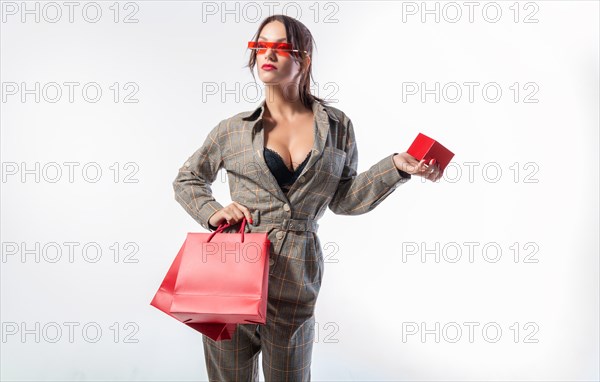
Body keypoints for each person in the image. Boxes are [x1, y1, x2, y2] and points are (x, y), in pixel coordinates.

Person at [172, 14, 442, 382]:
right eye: (260, 46)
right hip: (232, 268)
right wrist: (214, 212)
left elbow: (345, 199)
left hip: (297, 275)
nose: (267, 55)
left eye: (280, 47)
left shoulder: (337, 126)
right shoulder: (232, 130)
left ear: (305, 59)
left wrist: (395, 167)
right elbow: (188, 179)